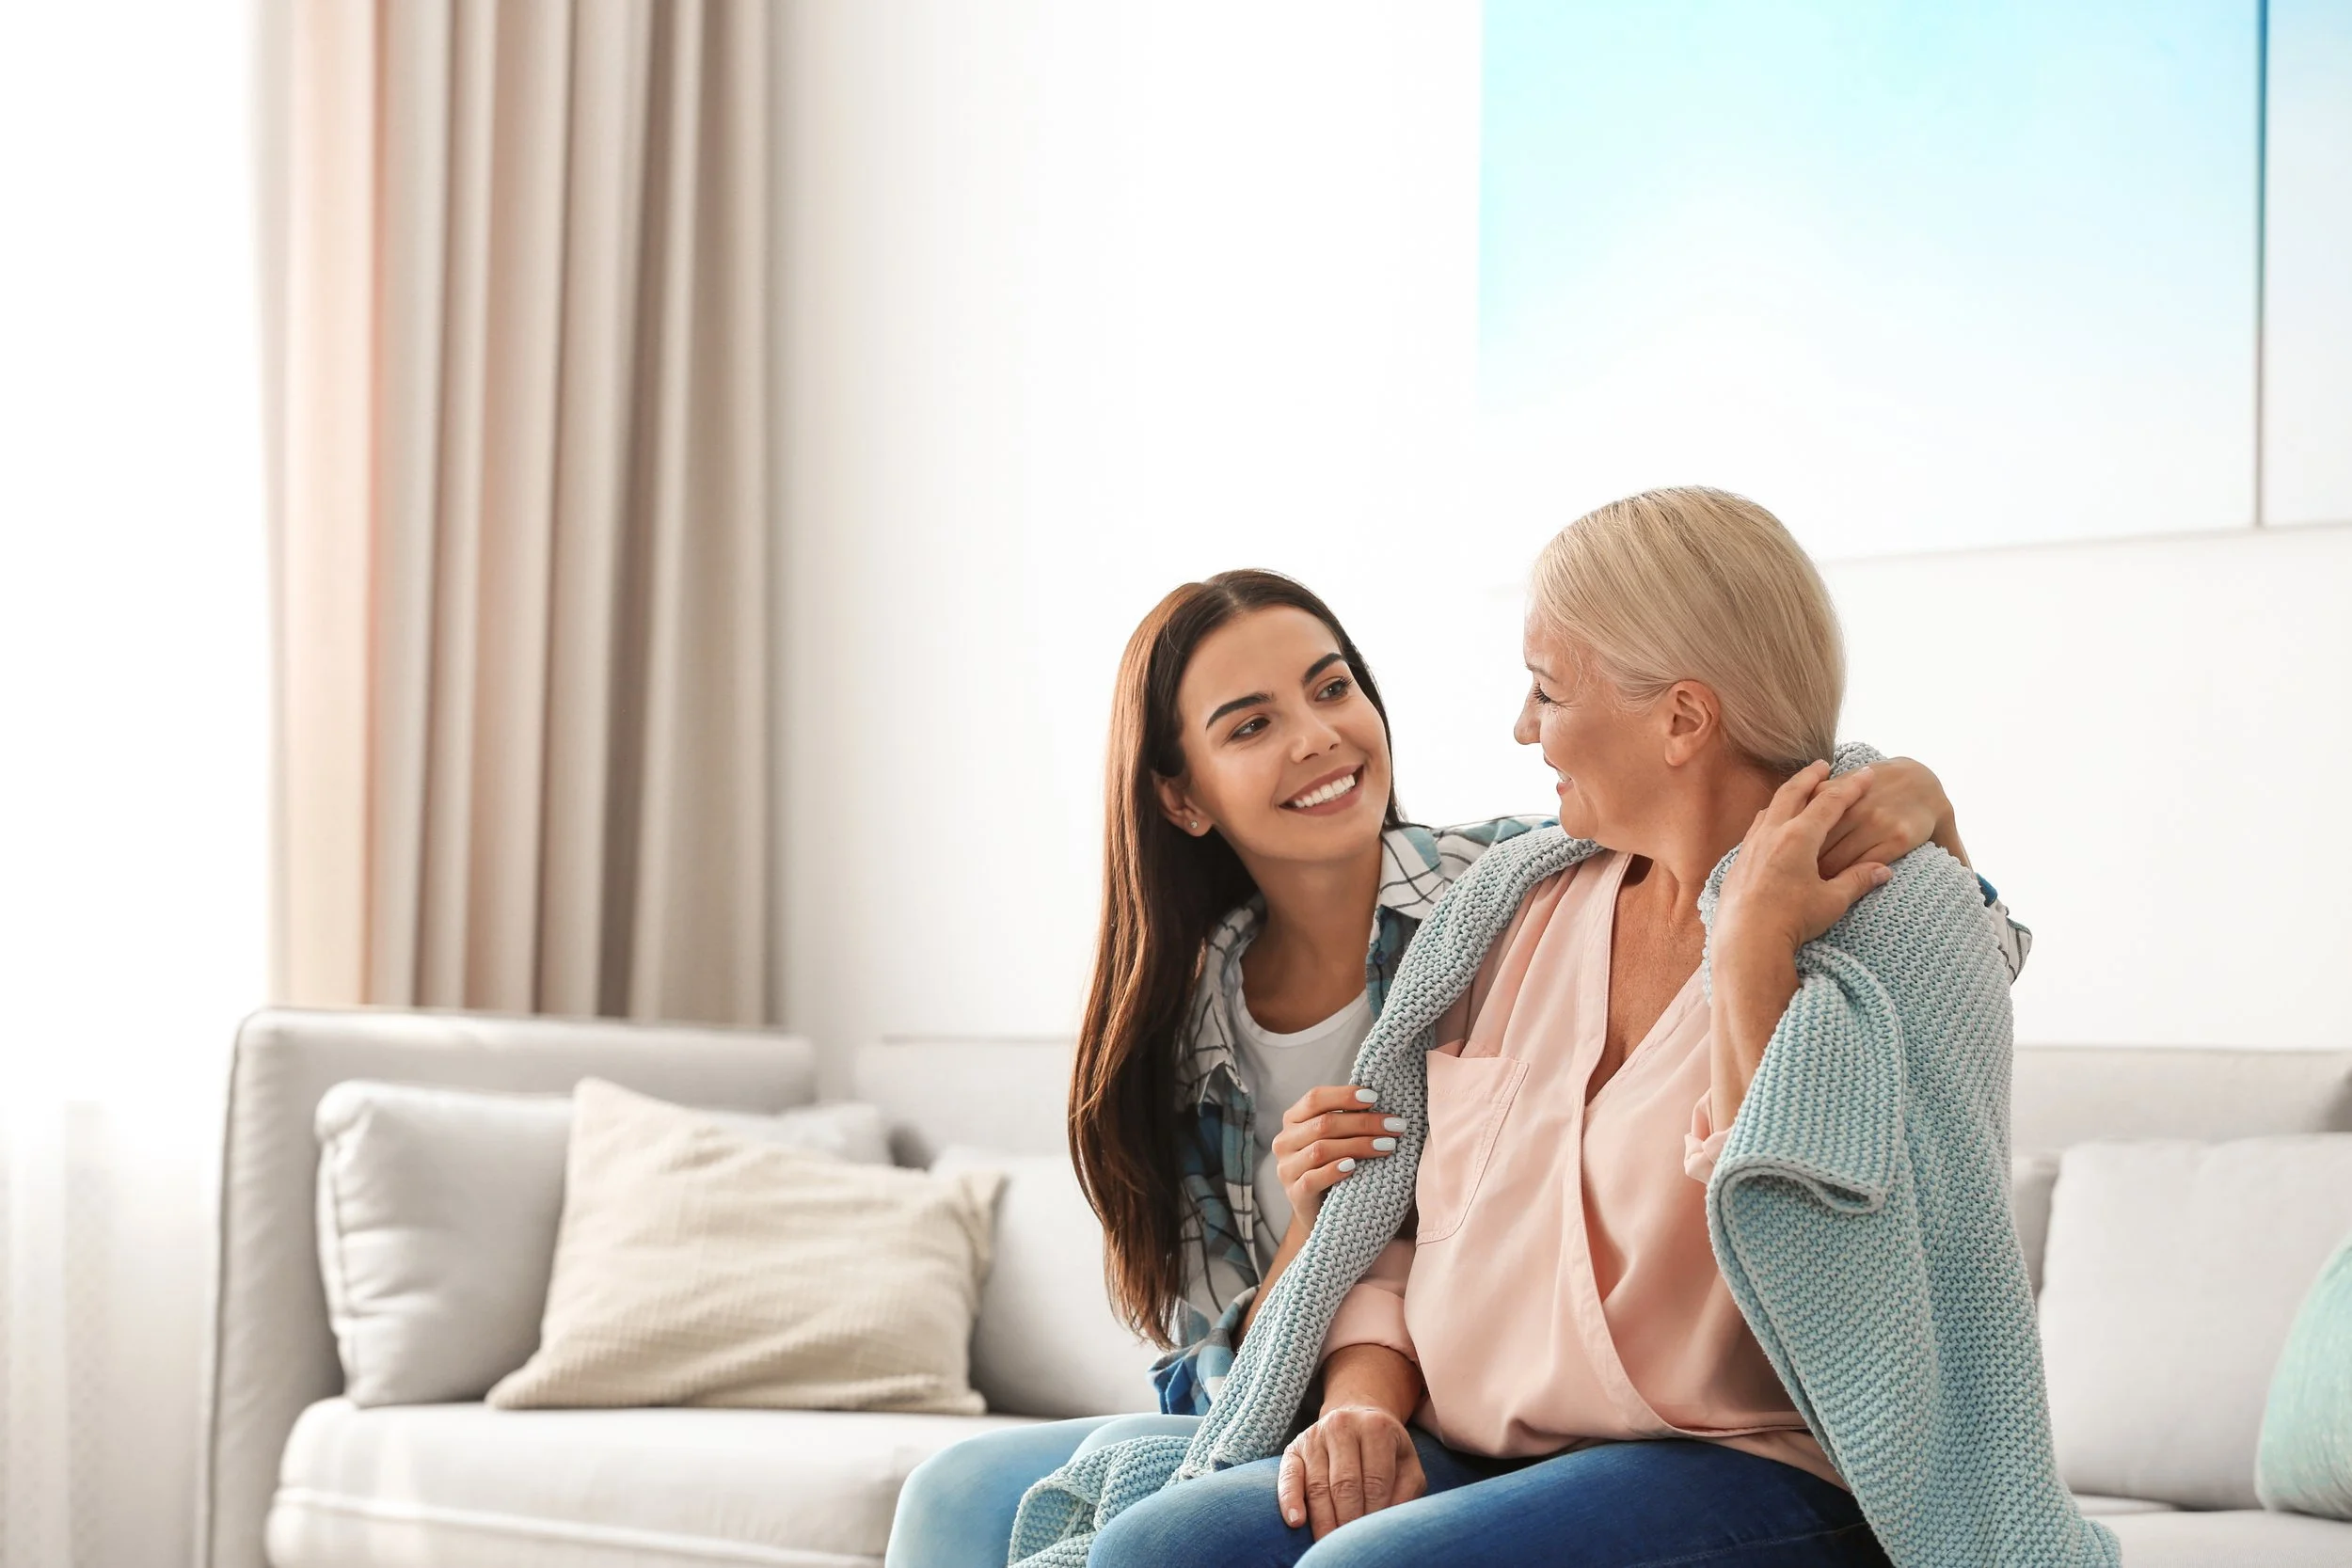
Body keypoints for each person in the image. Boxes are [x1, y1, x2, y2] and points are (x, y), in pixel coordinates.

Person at [884, 562, 2026, 1568]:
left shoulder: (1502, 879)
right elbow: (1225, 1362)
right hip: (1324, 1386)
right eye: (1248, 725)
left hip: (1636, 1423)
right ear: (1180, 796)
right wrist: (1316, 1243)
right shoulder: (1185, 1026)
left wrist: (1910, 798)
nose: (1317, 736)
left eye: (1332, 689)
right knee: (983, 1497)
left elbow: (1922, 920)